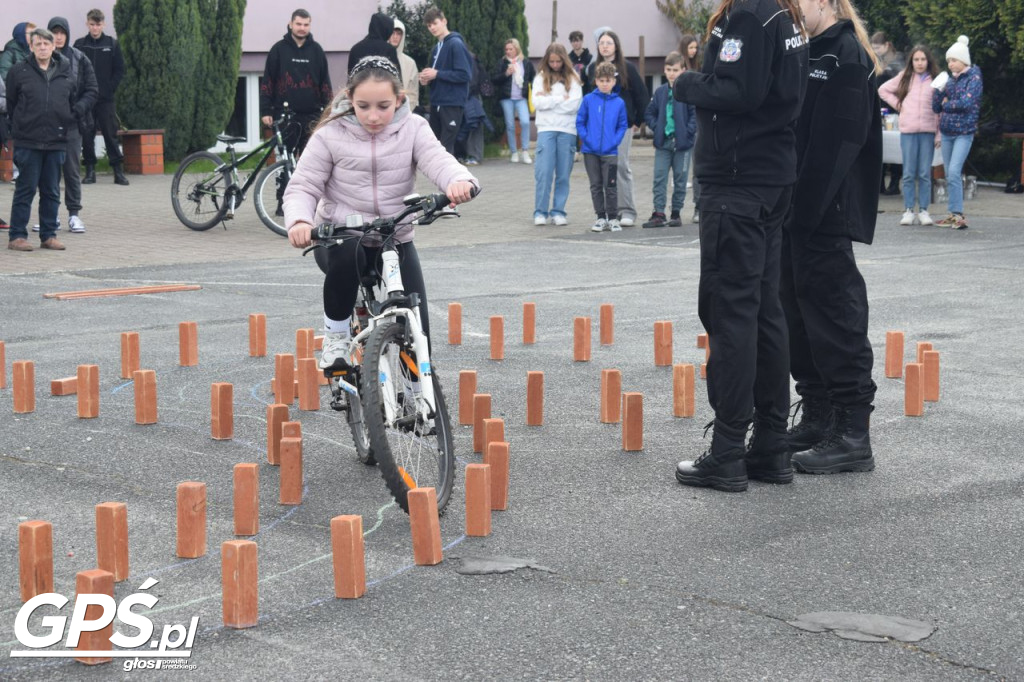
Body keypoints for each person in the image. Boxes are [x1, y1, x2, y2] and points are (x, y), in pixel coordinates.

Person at [672, 0, 808, 492]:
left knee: (732, 313)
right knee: (764, 312)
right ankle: (770, 446)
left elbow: (740, 90)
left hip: (739, 184)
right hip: (768, 178)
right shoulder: (783, 16)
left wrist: (686, 84)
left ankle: (728, 449)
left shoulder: (749, 15)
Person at [283, 57, 478, 367]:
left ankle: (420, 396)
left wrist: (458, 181)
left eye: (383, 106)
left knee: (418, 329)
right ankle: (336, 338)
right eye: (363, 106)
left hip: (394, 237)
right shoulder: (330, 134)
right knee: (348, 253)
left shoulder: (413, 128)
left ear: (399, 100)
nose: (373, 116)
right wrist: (300, 221)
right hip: (340, 237)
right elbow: (303, 185)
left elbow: (438, 159)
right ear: (349, 99)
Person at [779, 0, 883, 476]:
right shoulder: (804, 49)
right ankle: (819, 415)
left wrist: (807, 208)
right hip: (793, 211)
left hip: (824, 212)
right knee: (797, 316)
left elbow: (840, 143)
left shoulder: (846, 55)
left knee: (836, 316)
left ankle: (853, 435)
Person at [6, 28, 77, 252]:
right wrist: (20, 128)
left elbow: (72, 99)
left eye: (47, 43)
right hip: (28, 141)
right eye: (38, 44)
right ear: (32, 47)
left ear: (53, 46)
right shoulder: (19, 71)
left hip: (56, 140)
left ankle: (48, 235)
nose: (43, 47)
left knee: (52, 191)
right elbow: (12, 103)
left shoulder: (65, 71)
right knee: (25, 190)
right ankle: (17, 235)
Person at [585, 30, 649, 226]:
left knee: (620, 166)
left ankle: (627, 210)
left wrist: (638, 120)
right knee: (602, 171)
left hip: (622, 127)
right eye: (601, 42)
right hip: (599, 129)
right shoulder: (592, 69)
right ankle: (607, 214)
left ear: (616, 46)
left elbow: (641, 96)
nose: (605, 46)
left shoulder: (627, 68)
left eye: (609, 43)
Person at [47, 16, 98, 235]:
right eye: (54, 32)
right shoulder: (41, 58)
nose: (58, 37)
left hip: (73, 124)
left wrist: (79, 108)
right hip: (46, 125)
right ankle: (49, 216)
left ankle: (74, 214)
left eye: (62, 33)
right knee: (48, 173)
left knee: (71, 170)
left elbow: (92, 89)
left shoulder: (79, 58)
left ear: (66, 34)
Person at [878, 45, 940, 227]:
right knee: (908, 173)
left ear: (928, 61)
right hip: (908, 131)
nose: (920, 63)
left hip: (928, 131)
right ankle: (908, 210)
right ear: (911, 61)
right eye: (916, 60)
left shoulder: (935, 80)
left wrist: (939, 134)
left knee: (924, 173)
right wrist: (899, 105)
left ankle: (924, 211)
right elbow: (883, 90)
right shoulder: (904, 77)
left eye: (923, 59)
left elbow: (940, 110)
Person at [259, 9, 333, 158]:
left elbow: (325, 84)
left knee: (311, 162)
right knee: (285, 163)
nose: (302, 28)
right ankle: (284, 182)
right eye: (298, 24)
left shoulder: (317, 51)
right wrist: (266, 110)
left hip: (312, 117)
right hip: (284, 117)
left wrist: (329, 112)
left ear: (310, 26)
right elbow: (268, 81)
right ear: (290, 24)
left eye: (306, 24)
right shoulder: (278, 50)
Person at [932, 35, 982, 230]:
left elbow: (967, 103)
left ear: (964, 60)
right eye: (948, 61)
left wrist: (948, 104)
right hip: (947, 132)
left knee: (953, 171)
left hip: (964, 132)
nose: (950, 64)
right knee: (949, 172)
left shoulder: (974, 78)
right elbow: (936, 107)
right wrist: (937, 90)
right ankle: (953, 213)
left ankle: (958, 214)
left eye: (953, 60)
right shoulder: (950, 81)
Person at [73, 9, 128, 186]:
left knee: (110, 135)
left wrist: (109, 89)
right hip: (86, 99)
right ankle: (90, 171)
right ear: (87, 24)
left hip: (105, 100)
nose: (95, 28)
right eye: (92, 24)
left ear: (103, 24)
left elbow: (120, 70)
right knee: (87, 135)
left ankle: (118, 172)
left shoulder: (112, 44)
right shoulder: (80, 45)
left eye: (98, 24)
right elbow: (75, 70)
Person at [642, 51, 696, 228]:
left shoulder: (689, 92)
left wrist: (688, 132)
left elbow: (695, 115)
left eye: (675, 69)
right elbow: (649, 112)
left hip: (682, 144)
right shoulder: (660, 92)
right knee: (659, 177)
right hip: (663, 142)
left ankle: (676, 213)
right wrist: (657, 127)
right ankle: (659, 212)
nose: (671, 73)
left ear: (683, 70)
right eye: (668, 69)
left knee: (680, 179)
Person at [531, 43, 582, 225]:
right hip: (546, 130)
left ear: (563, 60)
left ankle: (558, 211)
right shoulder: (541, 77)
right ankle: (540, 212)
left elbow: (575, 105)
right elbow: (537, 102)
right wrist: (560, 99)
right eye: (551, 61)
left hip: (567, 130)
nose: (554, 64)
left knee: (563, 174)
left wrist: (549, 101)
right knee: (543, 173)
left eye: (558, 61)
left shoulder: (573, 78)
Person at [576, 61, 627, 233]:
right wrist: (586, 138)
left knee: (610, 185)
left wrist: (615, 141)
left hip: (610, 153)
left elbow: (622, 125)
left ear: (614, 81)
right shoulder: (588, 100)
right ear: (596, 81)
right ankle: (600, 217)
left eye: (608, 80)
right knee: (596, 185)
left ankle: (613, 218)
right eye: (601, 80)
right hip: (590, 152)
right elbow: (580, 121)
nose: (605, 84)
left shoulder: (619, 103)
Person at [419, 6, 472, 156]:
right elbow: (438, 75)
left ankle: (451, 179)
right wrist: (427, 79)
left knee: (446, 148)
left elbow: (464, 75)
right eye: (429, 26)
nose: (432, 28)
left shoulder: (456, 44)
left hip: (451, 104)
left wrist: (437, 74)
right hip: (437, 102)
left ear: (444, 21)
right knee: (437, 147)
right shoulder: (436, 48)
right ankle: (441, 178)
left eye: (435, 23)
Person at [871, 31, 905, 196]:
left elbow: (899, 84)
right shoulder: (879, 60)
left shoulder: (897, 61)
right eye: (873, 48)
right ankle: (879, 183)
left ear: (886, 46)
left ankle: (894, 182)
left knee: (896, 148)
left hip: (893, 108)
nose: (875, 50)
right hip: (879, 107)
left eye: (878, 47)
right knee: (882, 146)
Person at [492, 38, 536, 164]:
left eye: (511, 49)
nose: (508, 51)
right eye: (506, 49)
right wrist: (506, 73)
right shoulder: (502, 62)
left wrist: (530, 86)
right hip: (507, 98)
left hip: (521, 98)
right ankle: (514, 152)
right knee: (510, 125)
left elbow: (533, 77)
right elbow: (494, 79)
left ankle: (525, 151)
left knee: (525, 122)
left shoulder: (525, 62)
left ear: (516, 49)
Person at [678, 34, 703, 223]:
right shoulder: (680, 67)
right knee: (681, 171)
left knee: (698, 168)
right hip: (684, 123)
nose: (694, 51)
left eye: (696, 48)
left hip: (698, 123)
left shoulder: (699, 67)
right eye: (691, 48)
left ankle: (698, 206)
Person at [455, 49, 491, 166]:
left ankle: (474, 156)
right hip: (466, 97)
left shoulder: (468, 58)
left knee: (474, 127)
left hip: (471, 97)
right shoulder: (466, 57)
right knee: (465, 127)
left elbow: (473, 80)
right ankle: (466, 155)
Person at [389, 19, 419, 111]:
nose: (395, 37)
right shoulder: (379, 58)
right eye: (392, 33)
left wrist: (405, 111)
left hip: (404, 112)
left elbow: (413, 92)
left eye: (399, 33)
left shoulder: (410, 63)